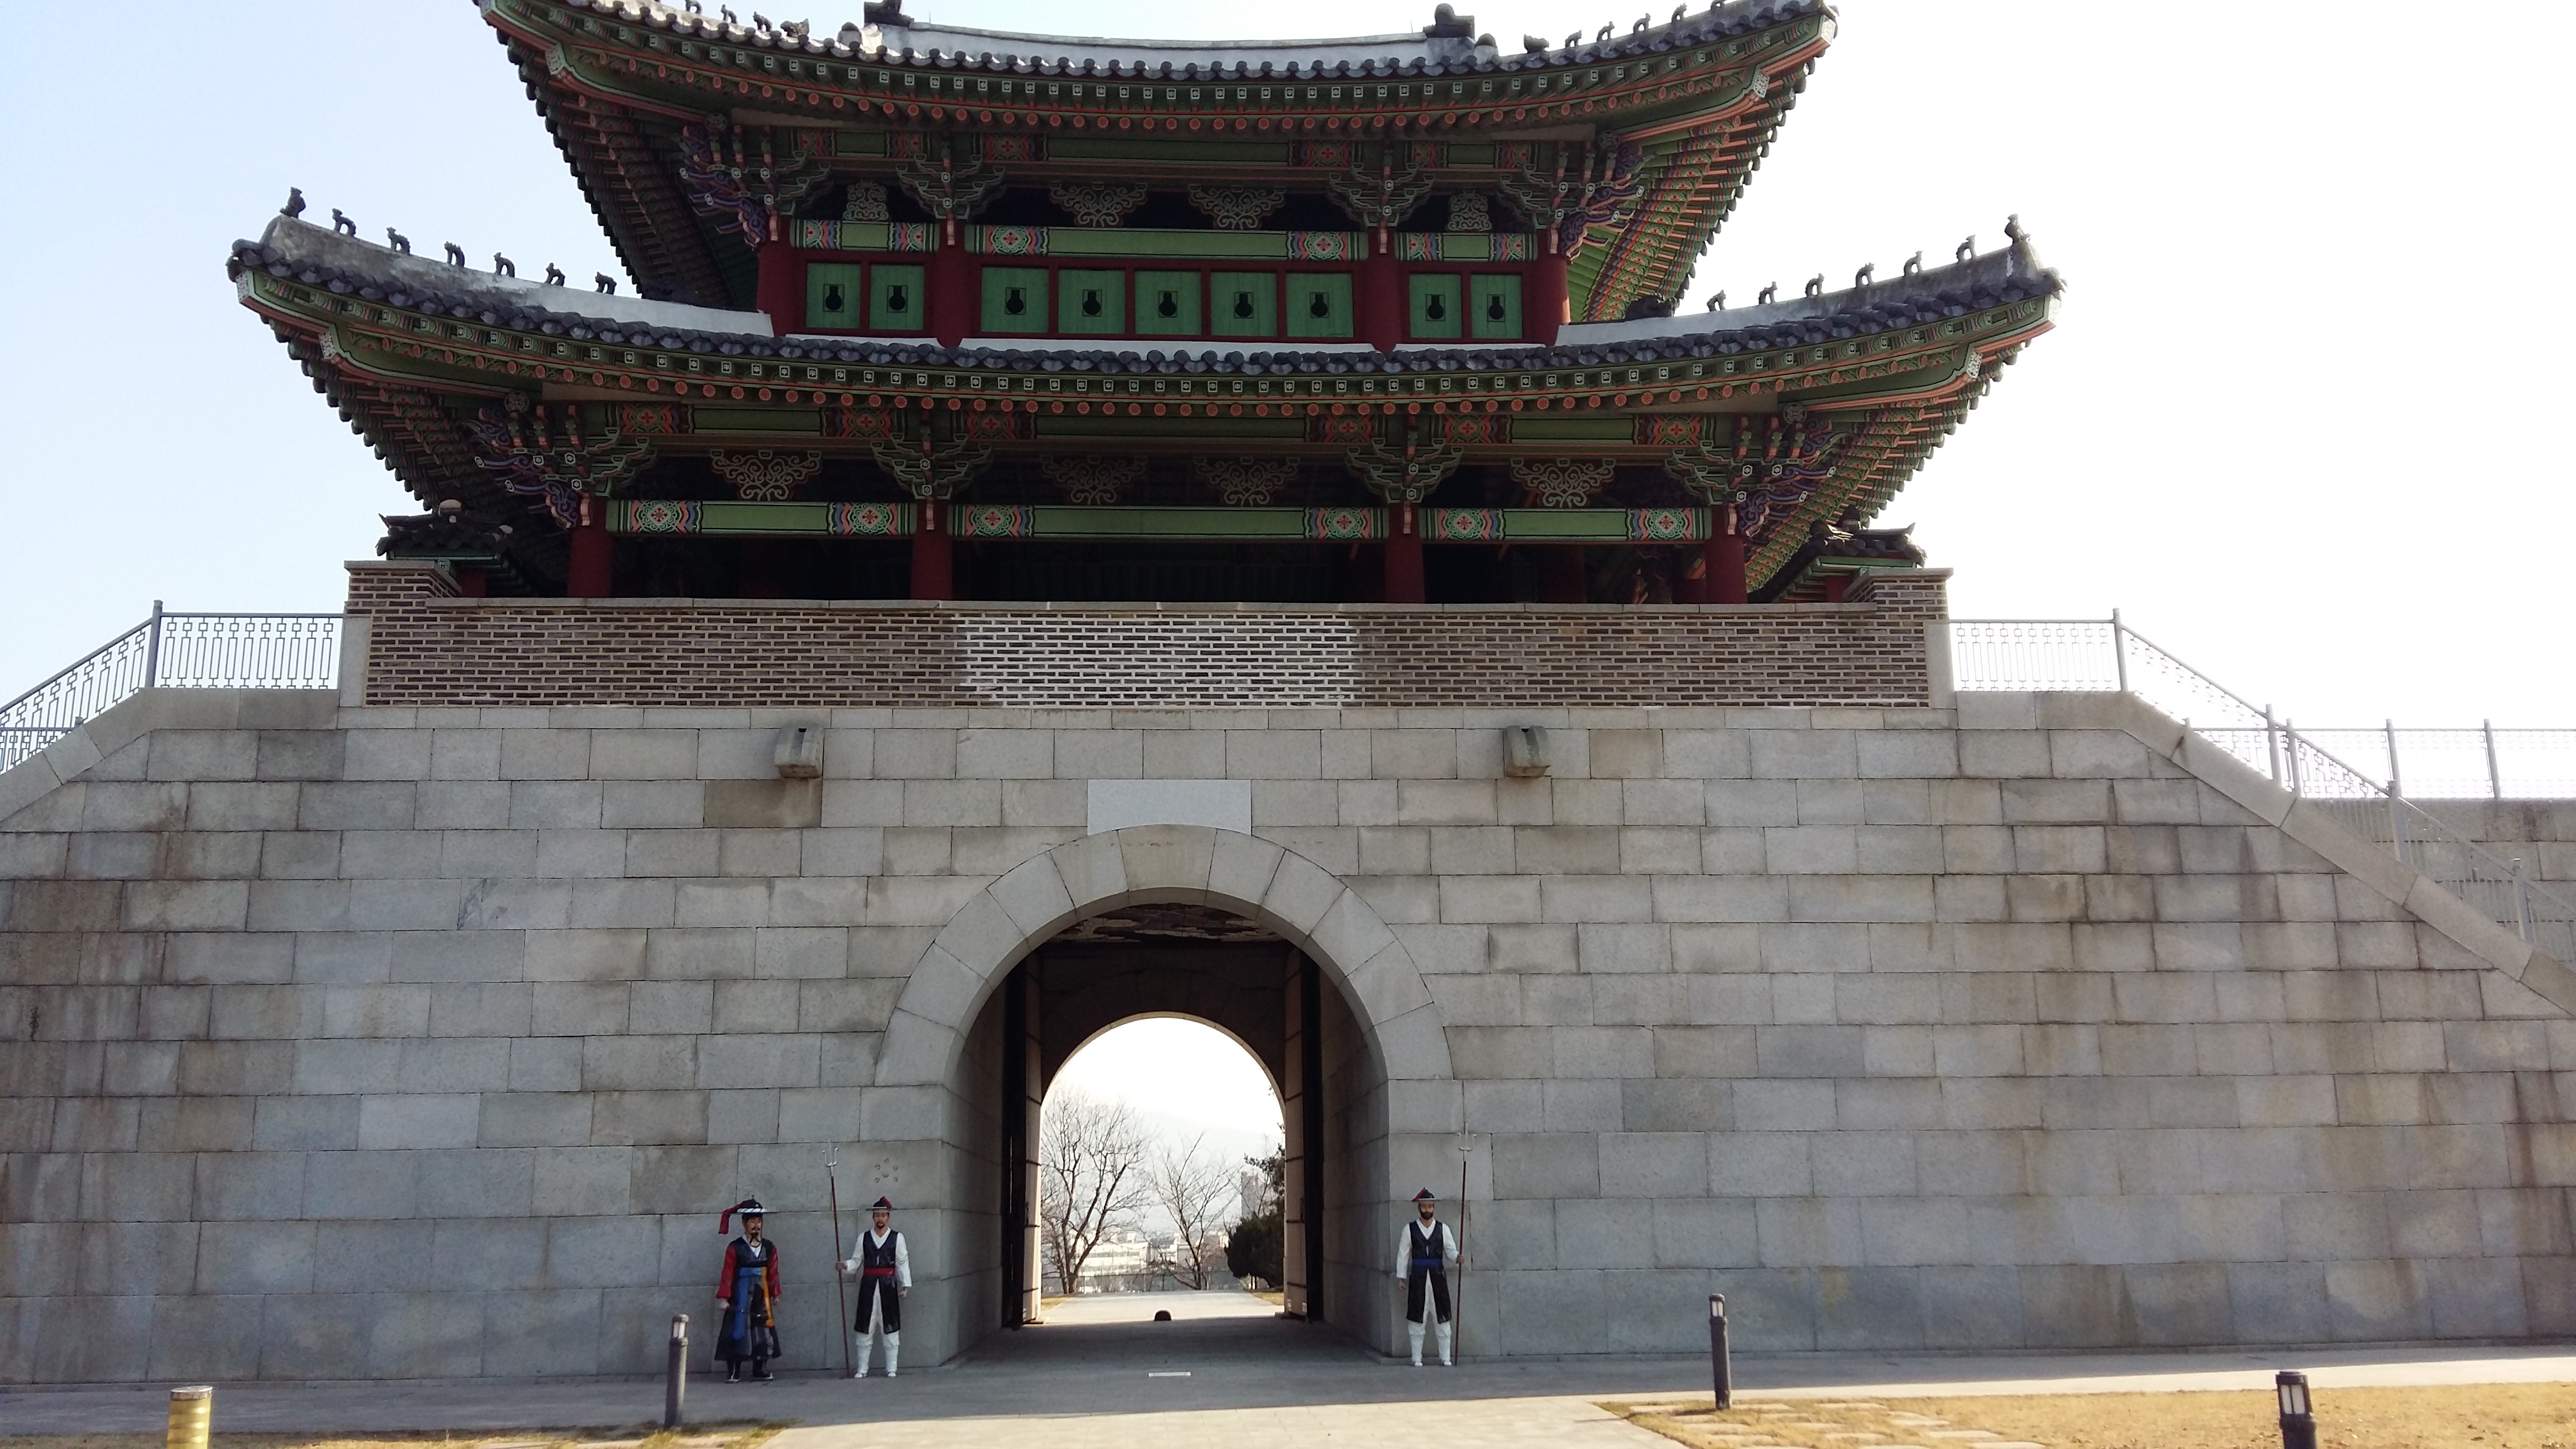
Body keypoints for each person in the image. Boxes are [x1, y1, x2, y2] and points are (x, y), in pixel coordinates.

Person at [839, 1196, 910, 1378]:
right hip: (868, 1286)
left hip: (889, 1286)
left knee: (890, 1325)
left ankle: (892, 1368)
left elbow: (902, 1262)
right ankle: (862, 1369)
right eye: (877, 1215)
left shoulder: (897, 1238)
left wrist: (905, 1284)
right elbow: (856, 1261)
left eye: (883, 1215)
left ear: (888, 1217)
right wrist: (845, 1265)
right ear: (873, 1217)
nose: (880, 1219)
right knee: (865, 1326)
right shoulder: (864, 1238)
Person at [714, 1197, 783, 1383]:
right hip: (741, 1292)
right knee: (737, 1328)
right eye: (752, 1221)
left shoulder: (769, 1247)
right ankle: (734, 1369)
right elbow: (728, 1273)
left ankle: (760, 1367)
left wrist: (775, 1292)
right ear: (744, 1223)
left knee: (762, 1329)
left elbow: (773, 1272)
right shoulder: (735, 1247)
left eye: (759, 1221)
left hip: (761, 1292)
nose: (756, 1225)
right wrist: (724, 1296)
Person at [1393, 1188, 1459, 1367]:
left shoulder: (1443, 1229)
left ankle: (1445, 1357)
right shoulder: (1410, 1229)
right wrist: (1401, 1277)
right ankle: (1416, 1357)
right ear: (1419, 1208)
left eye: (1430, 1206)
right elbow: (1403, 1254)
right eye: (1424, 1206)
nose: (1427, 1210)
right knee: (1417, 1316)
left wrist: (1456, 1257)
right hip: (1418, 1277)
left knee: (1442, 1316)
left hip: (1438, 1277)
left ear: (1434, 1208)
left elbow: (1450, 1249)